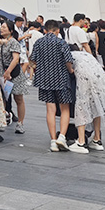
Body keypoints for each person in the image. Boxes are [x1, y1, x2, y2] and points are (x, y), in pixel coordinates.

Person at [65, 15, 105, 153]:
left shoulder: (71, 55)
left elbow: (70, 69)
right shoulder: (85, 55)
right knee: (96, 106)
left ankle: (81, 142)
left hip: (85, 78)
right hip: (98, 75)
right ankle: (97, 139)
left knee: (82, 105)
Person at [30, 19, 75, 152]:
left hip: (45, 80)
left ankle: (53, 141)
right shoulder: (61, 43)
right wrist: (71, 71)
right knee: (65, 108)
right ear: (57, 30)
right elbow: (68, 61)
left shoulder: (39, 42)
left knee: (50, 109)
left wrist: (39, 68)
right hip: (61, 79)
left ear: (45, 30)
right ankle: (61, 136)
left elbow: (32, 59)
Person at [0, 20, 24, 133]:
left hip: (14, 74)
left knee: (18, 98)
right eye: (1, 27)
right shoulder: (2, 42)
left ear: (10, 30)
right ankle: (2, 120)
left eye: (4, 27)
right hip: (4, 74)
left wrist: (8, 71)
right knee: (4, 97)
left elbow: (16, 59)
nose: (1, 29)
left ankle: (20, 123)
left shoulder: (13, 42)